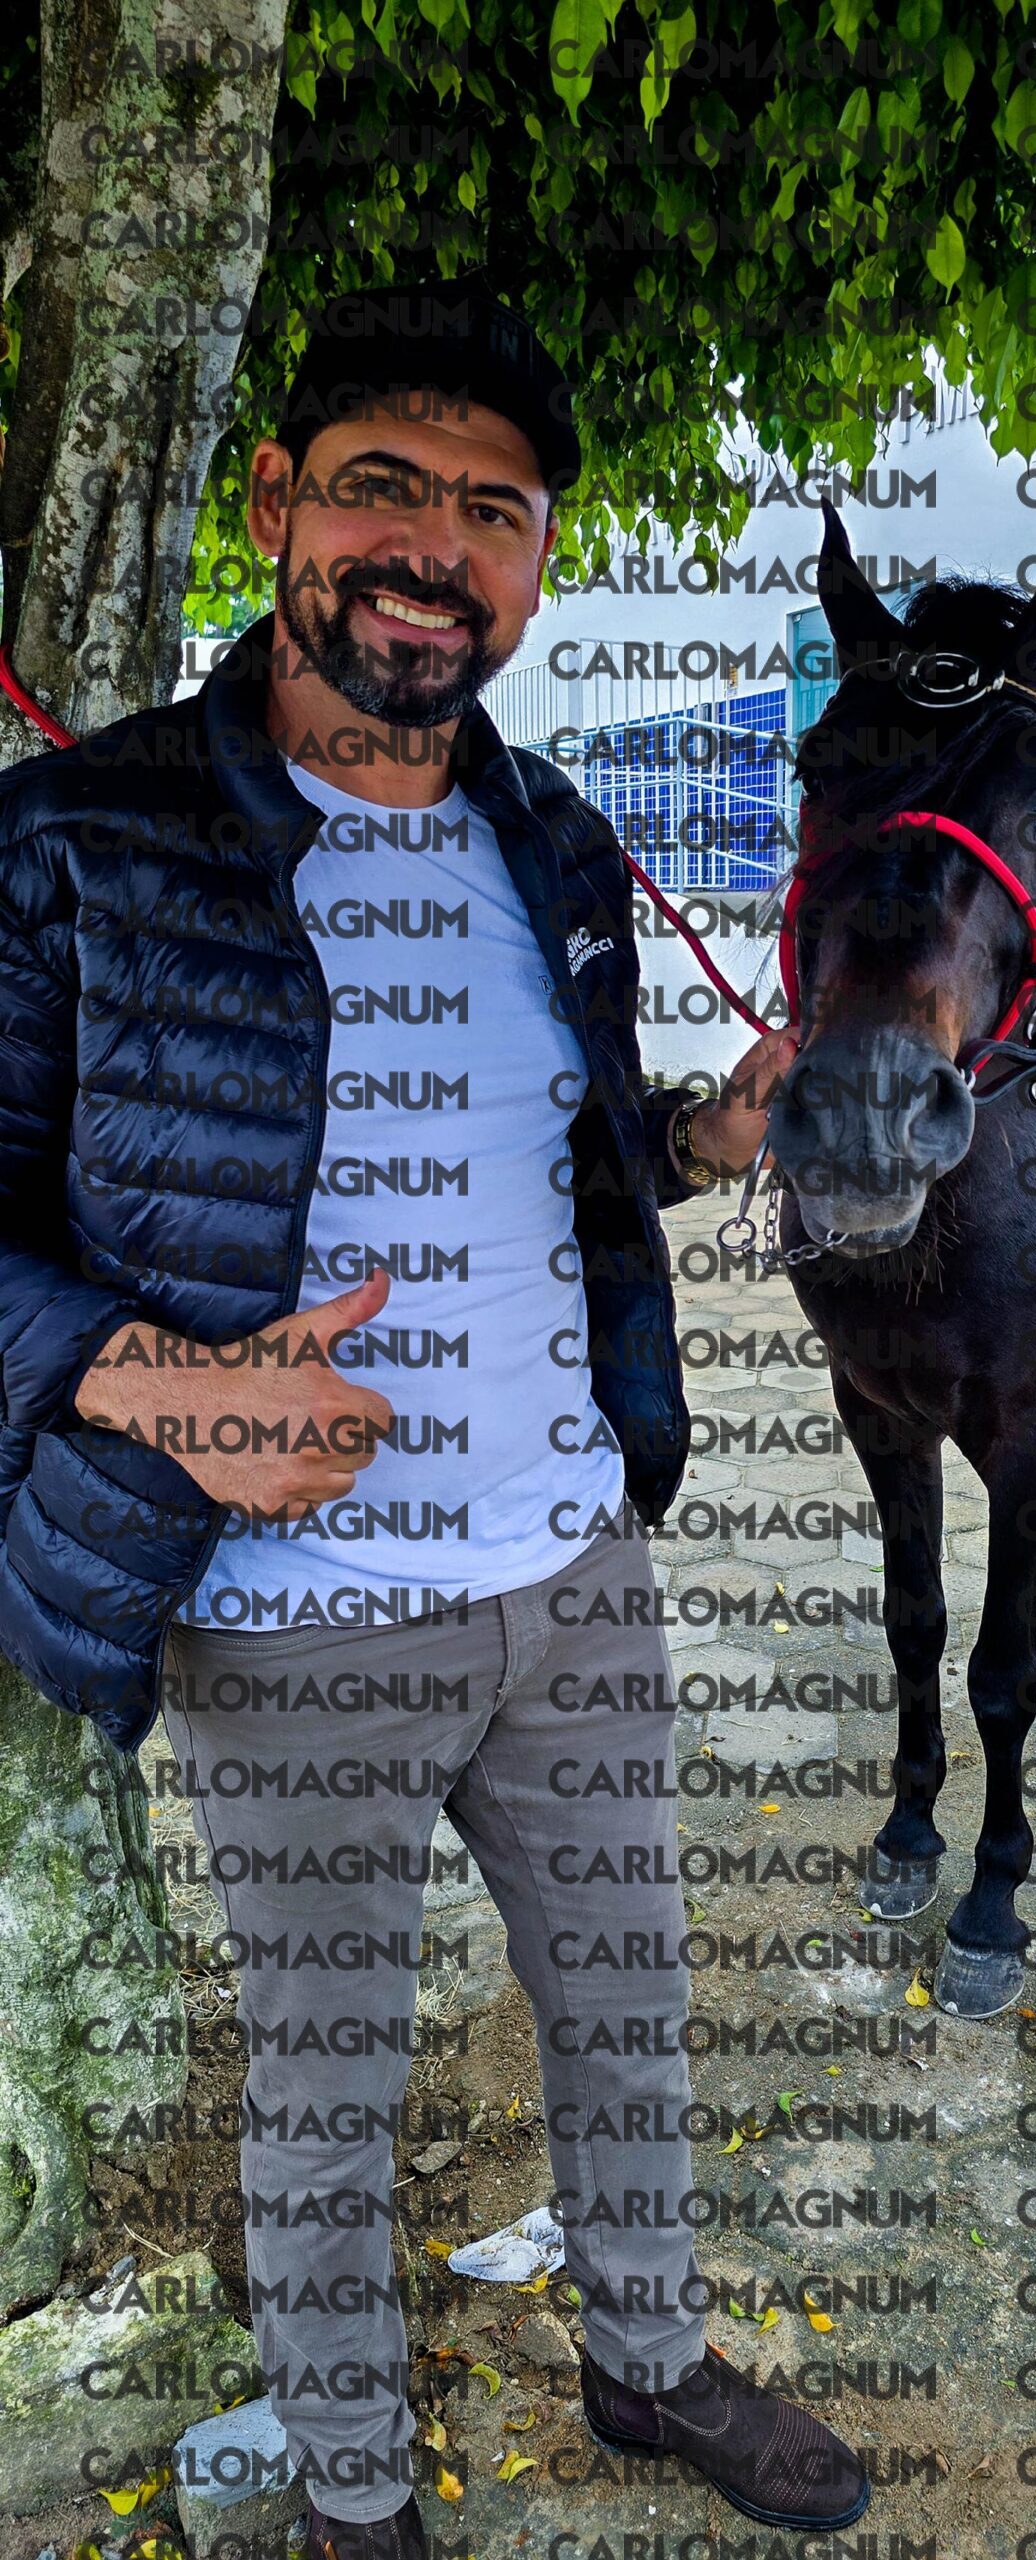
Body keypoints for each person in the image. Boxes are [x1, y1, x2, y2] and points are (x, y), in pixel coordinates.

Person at [0, 277, 869, 2546]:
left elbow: (561, 1162)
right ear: (274, 506)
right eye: (382, 486)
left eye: (493, 511)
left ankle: (648, 2362)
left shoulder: (549, 836)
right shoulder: (78, 843)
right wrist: (157, 1382)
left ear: (537, 564)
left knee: (630, 2008)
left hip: (572, 1575)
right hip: (286, 1624)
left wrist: (701, 1139)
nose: (433, 549)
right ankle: (356, 2491)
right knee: (326, 2090)